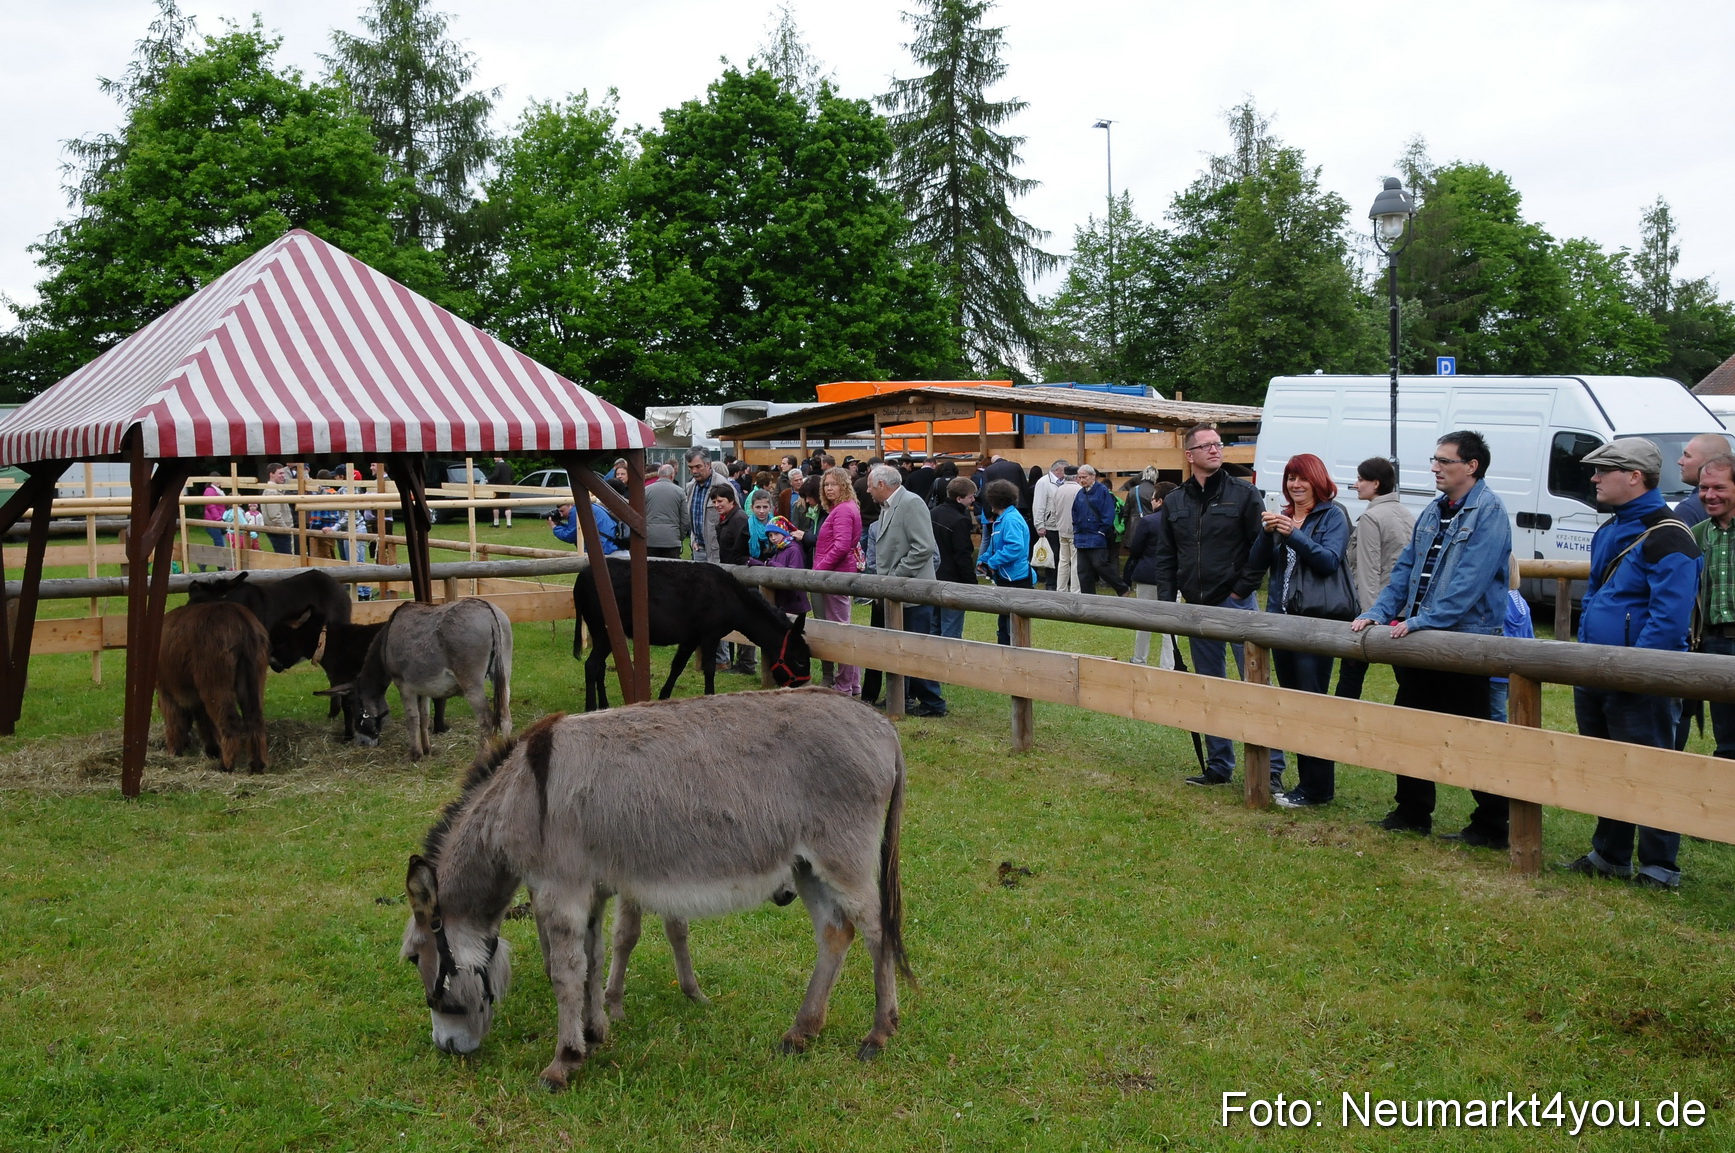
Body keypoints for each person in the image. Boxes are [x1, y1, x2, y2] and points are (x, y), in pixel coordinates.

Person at [1352, 431, 1514, 846]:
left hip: (1464, 642)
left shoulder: (1489, 512)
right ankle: (1411, 811)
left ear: (1471, 466)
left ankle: (1493, 824)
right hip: (1421, 636)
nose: (1434, 468)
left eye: (1444, 461)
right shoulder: (1432, 510)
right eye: (1434, 460)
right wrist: (1378, 612)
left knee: (1471, 735)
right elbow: (1404, 570)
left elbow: (1470, 583)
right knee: (1408, 726)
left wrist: (1423, 620)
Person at [1563, 439, 1702, 889]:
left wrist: (1632, 671)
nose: (1594, 477)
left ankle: (1660, 867)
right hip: (1598, 671)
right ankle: (1610, 854)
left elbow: (1669, 620)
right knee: (1606, 766)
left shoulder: (1669, 534)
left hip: (1638, 678)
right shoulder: (1611, 529)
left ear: (1635, 477)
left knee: (1653, 769)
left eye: (1604, 470)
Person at [1154, 425, 1282, 787]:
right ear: (1189, 454)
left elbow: (1262, 548)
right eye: (1205, 445)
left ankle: (1270, 771)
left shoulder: (1244, 494)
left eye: (1217, 444)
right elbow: (1166, 555)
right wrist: (1169, 604)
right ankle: (1219, 765)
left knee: (1255, 687)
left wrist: (1242, 590)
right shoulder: (1176, 500)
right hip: (1196, 606)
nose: (1214, 450)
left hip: (1236, 603)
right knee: (1210, 689)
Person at [1244, 454, 1351, 807]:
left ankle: (1318, 787)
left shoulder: (1333, 515)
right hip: (1282, 621)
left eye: (1302, 478)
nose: (1295, 485)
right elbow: (1258, 564)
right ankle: (1306, 784)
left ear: (1317, 480)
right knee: (1292, 703)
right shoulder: (1285, 516)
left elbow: (1328, 561)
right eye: (1290, 478)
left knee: (1312, 705)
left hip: (1315, 624)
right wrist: (1268, 532)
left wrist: (1294, 536)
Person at [868, 463, 947, 717]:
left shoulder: (911, 503)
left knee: (916, 647)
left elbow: (923, 547)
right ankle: (905, 697)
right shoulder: (888, 506)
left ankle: (932, 702)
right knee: (899, 647)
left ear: (882, 485)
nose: (867, 491)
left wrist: (895, 577)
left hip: (911, 592)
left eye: (870, 486)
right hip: (895, 593)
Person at [1335, 457, 1415, 701]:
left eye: (1361, 479)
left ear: (1376, 483)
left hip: (1378, 610)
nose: (1356, 484)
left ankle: (1340, 720)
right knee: (1410, 679)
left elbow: (1368, 571)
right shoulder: (1406, 513)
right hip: (1405, 609)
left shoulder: (1372, 518)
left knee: (1350, 675)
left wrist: (1369, 616)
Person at [1690, 453, 1735, 759]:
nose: (1709, 495)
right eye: (1703, 488)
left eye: (1719, 487)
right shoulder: (1697, 534)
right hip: (1714, 642)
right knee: (1728, 733)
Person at [812, 466, 864, 698]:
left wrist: (819, 571)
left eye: (833, 484)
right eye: (826, 484)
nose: (829, 488)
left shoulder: (843, 510)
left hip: (835, 576)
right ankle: (850, 684)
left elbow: (842, 546)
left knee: (839, 631)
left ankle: (844, 685)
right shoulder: (843, 508)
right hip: (836, 574)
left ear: (844, 485)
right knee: (841, 628)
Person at [1122, 481, 1178, 669]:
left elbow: (1136, 549)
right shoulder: (1179, 521)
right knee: (1170, 625)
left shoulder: (1147, 521)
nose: (1151, 501)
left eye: (1153, 498)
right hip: (1172, 577)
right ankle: (1168, 665)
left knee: (1144, 621)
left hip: (1147, 574)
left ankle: (1139, 659)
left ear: (1160, 501)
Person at [977, 478, 1034, 645]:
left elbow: (1015, 547)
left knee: (1012, 627)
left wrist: (993, 562)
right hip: (1006, 577)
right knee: (1003, 623)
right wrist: (984, 560)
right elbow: (996, 545)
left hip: (1016, 579)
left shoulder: (1011, 520)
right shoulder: (1002, 519)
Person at [746, 489, 811, 618]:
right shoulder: (779, 549)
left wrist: (768, 563)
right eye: (770, 535)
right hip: (784, 601)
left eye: (776, 534)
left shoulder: (793, 549)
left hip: (795, 601)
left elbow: (793, 573)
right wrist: (760, 563)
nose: (773, 538)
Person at [929, 476, 978, 640]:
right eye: (970, 496)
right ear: (959, 498)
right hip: (953, 581)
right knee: (951, 629)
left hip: (933, 577)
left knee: (934, 626)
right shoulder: (960, 521)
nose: (973, 499)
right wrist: (971, 583)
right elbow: (962, 555)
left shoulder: (932, 514)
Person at [1071, 465, 1127, 596]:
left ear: (1093, 476)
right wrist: (1076, 529)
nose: (1081, 480)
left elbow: (1109, 513)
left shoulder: (1102, 491)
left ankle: (1122, 588)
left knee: (1100, 564)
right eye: (1079, 477)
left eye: (1084, 477)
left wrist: (1102, 530)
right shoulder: (1080, 493)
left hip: (1096, 535)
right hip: (1081, 537)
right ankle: (1088, 598)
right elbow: (1074, 512)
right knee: (1083, 571)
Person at [1673, 433, 1731, 527]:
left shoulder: (1688, 510)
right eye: (1704, 488)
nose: (1680, 461)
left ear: (1709, 462)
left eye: (1687, 456)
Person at [1031, 460, 1069, 592]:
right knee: (1052, 556)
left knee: (1062, 556)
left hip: (1062, 525)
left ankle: (1061, 582)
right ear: (1058, 470)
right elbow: (1038, 505)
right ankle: (1051, 583)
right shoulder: (1043, 482)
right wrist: (1040, 525)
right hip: (1050, 525)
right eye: (1065, 470)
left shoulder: (1065, 483)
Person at [643, 462, 687, 558]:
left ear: (658, 475)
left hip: (650, 539)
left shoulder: (646, 490)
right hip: (672, 539)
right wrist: (680, 536)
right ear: (672, 475)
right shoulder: (680, 492)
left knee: (652, 570)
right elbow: (685, 519)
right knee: (671, 570)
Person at [551, 498, 623, 555]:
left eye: (562, 511)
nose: (561, 515)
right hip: (613, 545)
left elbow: (570, 536)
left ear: (571, 505)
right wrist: (561, 524)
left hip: (606, 550)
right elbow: (577, 528)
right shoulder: (589, 505)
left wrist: (554, 527)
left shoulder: (576, 511)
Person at [1053, 468, 1083, 595]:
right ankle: (1075, 590)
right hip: (1075, 530)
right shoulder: (1079, 490)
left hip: (1061, 528)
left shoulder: (1058, 490)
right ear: (1076, 477)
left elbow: (1054, 510)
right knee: (1075, 561)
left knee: (1063, 561)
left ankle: (1061, 589)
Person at [260, 462, 297, 555]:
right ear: (271, 475)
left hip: (280, 530)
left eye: (283, 473)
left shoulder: (275, 490)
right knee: (286, 560)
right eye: (280, 473)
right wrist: (286, 529)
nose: (283, 476)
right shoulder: (272, 492)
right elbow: (275, 516)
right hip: (280, 531)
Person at [487, 457, 516, 527]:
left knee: (495, 504)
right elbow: (512, 475)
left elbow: (495, 475)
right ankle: (509, 523)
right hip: (507, 488)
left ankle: (496, 523)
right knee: (507, 505)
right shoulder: (508, 465)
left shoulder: (498, 465)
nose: (494, 459)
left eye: (495, 457)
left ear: (500, 458)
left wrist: (487, 480)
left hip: (498, 488)